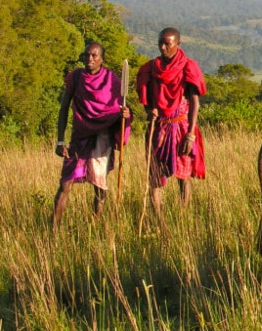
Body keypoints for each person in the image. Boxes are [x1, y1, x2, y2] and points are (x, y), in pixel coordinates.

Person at [52, 42, 131, 230]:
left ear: (101, 59)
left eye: (94, 55)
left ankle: (94, 225)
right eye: (87, 55)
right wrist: (60, 140)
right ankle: (53, 229)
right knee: (65, 184)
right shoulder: (76, 77)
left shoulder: (111, 80)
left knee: (99, 185)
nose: (90, 59)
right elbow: (64, 108)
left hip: (102, 138)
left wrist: (126, 115)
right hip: (79, 137)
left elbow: (120, 108)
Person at [136, 27, 207, 215]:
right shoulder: (150, 68)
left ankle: (182, 216)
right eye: (160, 43)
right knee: (155, 176)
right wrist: (149, 111)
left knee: (184, 176)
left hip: (182, 126)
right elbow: (147, 100)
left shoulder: (188, 67)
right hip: (160, 127)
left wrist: (190, 134)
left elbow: (194, 102)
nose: (163, 47)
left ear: (177, 44)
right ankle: (158, 218)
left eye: (167, 44)